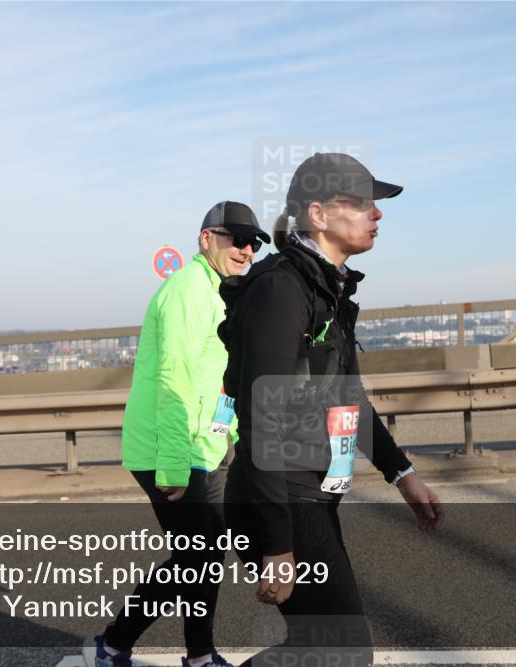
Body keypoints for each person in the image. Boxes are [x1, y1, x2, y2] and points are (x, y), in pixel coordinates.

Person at [219, 153, 445, 666]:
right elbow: (260, 422)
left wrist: (402, 475)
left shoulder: (326, 285)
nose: (377, 214)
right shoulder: (281, 289)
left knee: (319, 650)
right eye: (362, 203)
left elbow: (349, 400)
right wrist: (277, 547)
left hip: (310, 492)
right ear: (318, 215)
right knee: (344, 653)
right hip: (280, 497)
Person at [85, 201, 271, 667]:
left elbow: (219, 379)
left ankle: (197, 654)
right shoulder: (187, 290)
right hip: (168, 450)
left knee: (205, 556)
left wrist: (229, 438)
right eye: (236, 239)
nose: (247, 250)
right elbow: (174, 380)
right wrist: (173, 465)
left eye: (254, 243)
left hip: (202, 448)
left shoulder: (219, 291)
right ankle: (112, 645)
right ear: (206, 238)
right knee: (196, 556)